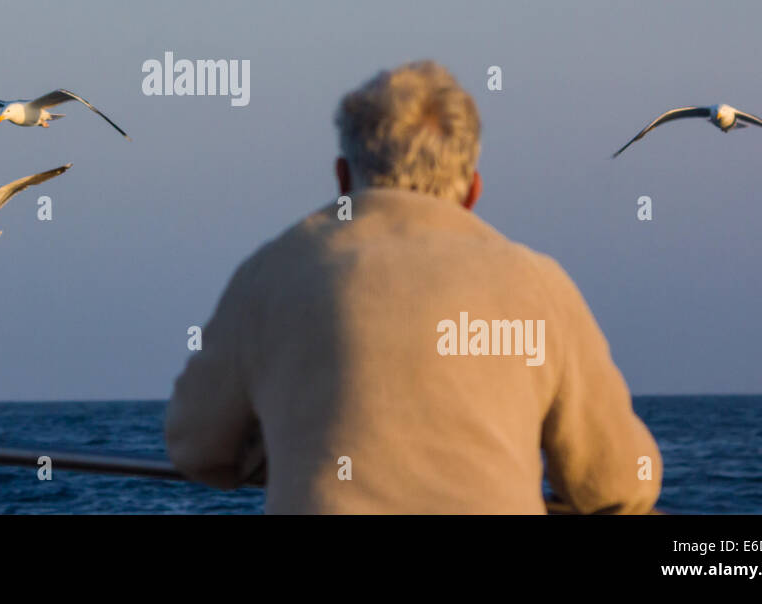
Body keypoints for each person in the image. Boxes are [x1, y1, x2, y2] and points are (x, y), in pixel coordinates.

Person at [165, 61, 661, 513]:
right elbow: (615, 481)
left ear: (342, 178)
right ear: (473, 190)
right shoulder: (538, 286)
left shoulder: (272, 273)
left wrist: (294, 444)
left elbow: (196, 446)